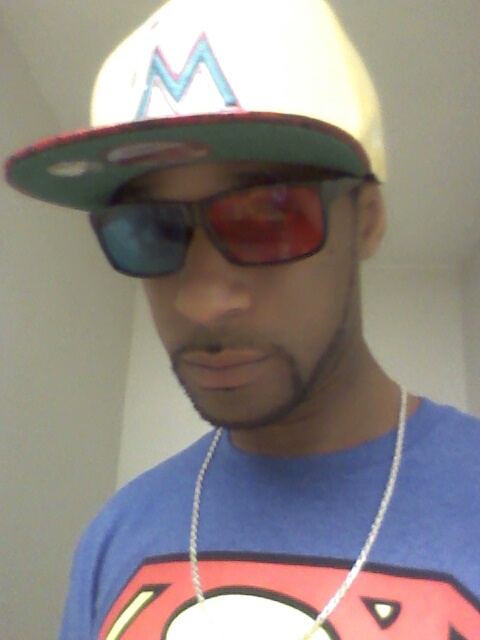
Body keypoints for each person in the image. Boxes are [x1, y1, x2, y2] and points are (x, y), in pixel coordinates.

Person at [6, 0, 480, 637]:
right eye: (150, 229)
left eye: (268, 217)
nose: (201, 302)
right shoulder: (114, 536)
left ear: (365, 221)